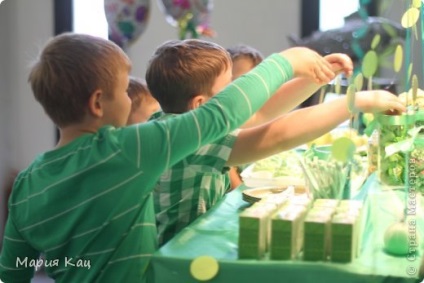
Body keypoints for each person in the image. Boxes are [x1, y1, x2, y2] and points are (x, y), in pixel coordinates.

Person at [0, 33, 339, 282]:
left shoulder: (27, 184)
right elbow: (222, 114)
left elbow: (15, 271)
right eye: (123, 92)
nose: (131, 101)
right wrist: (288, 60)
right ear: (98, 103)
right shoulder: (128, 149)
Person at [148, 39, 406, 246]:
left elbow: (260, 112)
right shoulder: (195, 142)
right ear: (200, 105)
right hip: (179, 257)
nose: (236, 97)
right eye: (228, 89)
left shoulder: (166, 123)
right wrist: (357, 101)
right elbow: (279, 134)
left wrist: (316, 78)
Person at [226, 44, 265, 188]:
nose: (240, 89)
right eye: (233, 82)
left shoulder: (261, 115)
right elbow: (235, 186)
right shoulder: (224, 124)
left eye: (248, 82)